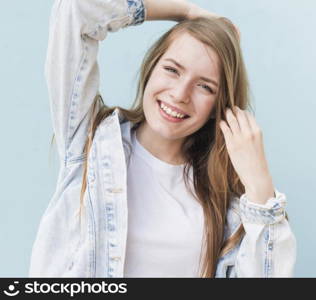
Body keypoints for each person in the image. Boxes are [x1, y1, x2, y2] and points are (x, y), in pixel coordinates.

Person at [29, 0, 296, 278]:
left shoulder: (225, 205)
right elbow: (75, 9)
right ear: (151, 67)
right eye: (172, 69)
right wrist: (186, 12)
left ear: (220, 106)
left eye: (204, 86)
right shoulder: (91, 142)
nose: (181, 93)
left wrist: (259, 183)